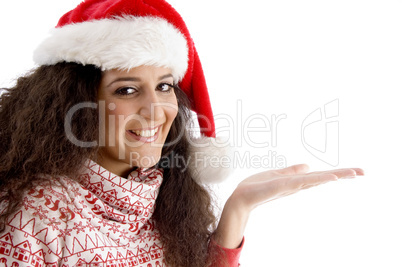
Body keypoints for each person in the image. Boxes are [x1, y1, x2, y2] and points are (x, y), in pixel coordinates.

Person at [0, 0, 364, 266]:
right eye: (126, 90)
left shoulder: (163, 199)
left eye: (164, 86)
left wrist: (237, 209)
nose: (156, 110)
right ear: (75, 102)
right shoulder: (35, 213)